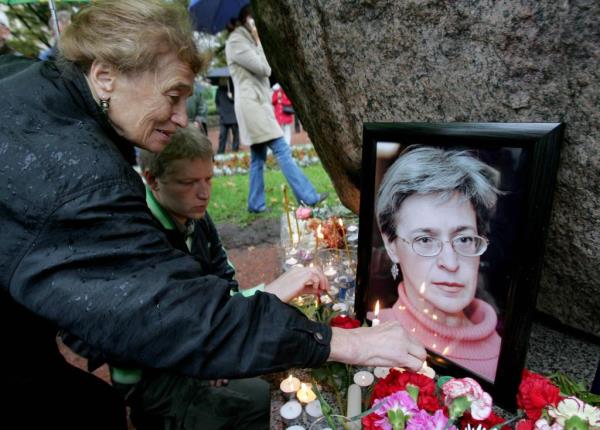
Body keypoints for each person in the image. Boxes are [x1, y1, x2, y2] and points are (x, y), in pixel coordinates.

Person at [0, 1, 425, 428]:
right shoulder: (78, 177)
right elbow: (173, 314)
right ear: (105, 75)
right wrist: (345, 343)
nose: (183, 118)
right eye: (173, 95)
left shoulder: (32, 91)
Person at [373, 145, 503, 381]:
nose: (451, 263)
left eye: (463, 239)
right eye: (425, 239)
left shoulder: (505, 360)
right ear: (391, 245)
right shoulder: (369, 333)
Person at [225, 5, 328, 213]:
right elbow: (264, 68)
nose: (254, 21)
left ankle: (255, 204)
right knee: (282, 149)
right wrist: (259, 41)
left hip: (255, 105)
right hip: (253, 106)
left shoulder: (242, 38)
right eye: (252, 17)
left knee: (257, 158)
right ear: (245, 18)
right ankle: (308, 197)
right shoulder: (237, 40)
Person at [215, 77, 239, 153]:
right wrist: (220, 111)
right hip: (223, 116)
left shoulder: (233, 88)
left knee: (236, 134)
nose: (222, 81)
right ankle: (221, 151)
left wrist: (231, 97)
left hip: (233, 115)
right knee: (222, 135)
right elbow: (217, 102)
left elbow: (238, 101)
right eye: (221, 80)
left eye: (224, 79)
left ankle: (235, 150)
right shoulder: (218, 90)